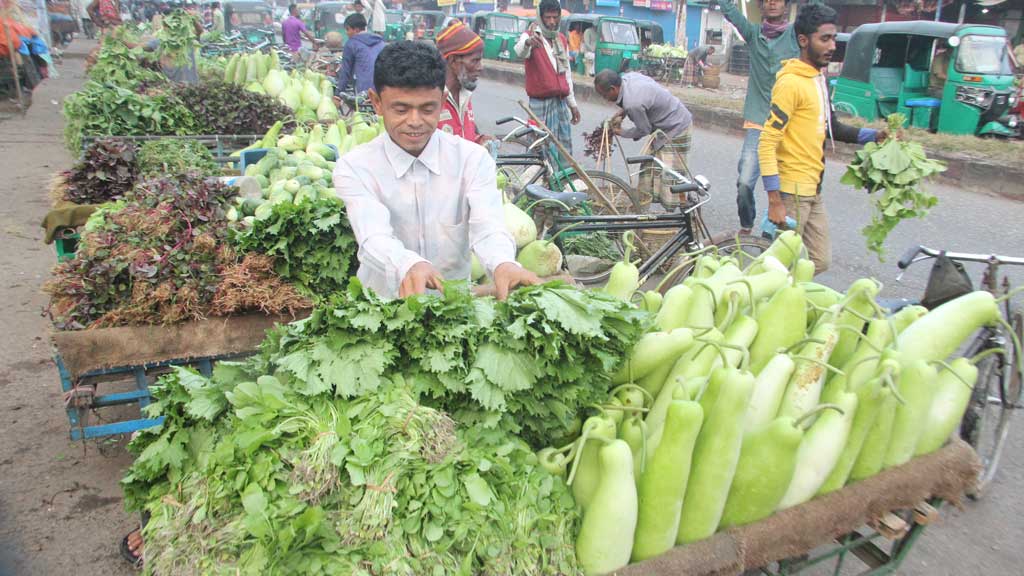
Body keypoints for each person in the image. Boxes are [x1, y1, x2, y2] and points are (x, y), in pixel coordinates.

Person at [333, 41, 539, 299]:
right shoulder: (355, 167)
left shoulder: (472, 160)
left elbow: (488, 227)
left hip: (452, 311)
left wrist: (503, 263)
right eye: (401, 109)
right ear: (376, 102)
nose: (415, 121)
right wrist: (409, 265)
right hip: (382, 310)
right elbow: (373, 235)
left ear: (442, 101)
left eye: (427, 109)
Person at [759, 3, 886, 274]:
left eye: (834, 38)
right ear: (804, 40)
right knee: (777, 268)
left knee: (818, 261)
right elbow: (767, 142)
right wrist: (775, 201)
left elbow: (834, 128)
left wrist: (874, 136)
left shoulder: (818, 79)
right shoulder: (791, 83)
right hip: (791, 192)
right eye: (824, 39)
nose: (832, 46)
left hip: (813, 190)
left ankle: (784, 300)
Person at [717, 0, 800, 235]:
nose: (773, 3)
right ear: (761, 7)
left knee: (785, 185)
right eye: (768, 0)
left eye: (778, 0)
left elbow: (817, 15)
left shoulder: (796, 34)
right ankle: (746, 224)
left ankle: (773, 228)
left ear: (786, 6)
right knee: (744, 183)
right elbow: (730, 12)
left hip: (789, 124)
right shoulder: (754, 34)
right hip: (759, 121)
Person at [594, 69, 694, 209]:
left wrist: (620, 132)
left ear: (613, 88)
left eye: (604, 95)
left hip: (676, 126)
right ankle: (643, 207)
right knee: (649, 169)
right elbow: (640, 101)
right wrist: (622, 113)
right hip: (664, 124)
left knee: (671, 173)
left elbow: (644, 130)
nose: (604, 98)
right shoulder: (629, 78)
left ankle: (681, 210)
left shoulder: (633, 104)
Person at [514, 0, 580, 160]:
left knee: (563, 148)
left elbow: (567, 74)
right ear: (541, 17)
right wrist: (528, 43)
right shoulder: (530, 37)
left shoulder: (561, 40)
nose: (551, 22)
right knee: (539, 150)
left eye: (555, 17)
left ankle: (560, 183)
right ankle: (537, 183)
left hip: (561, 103)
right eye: (548, 17)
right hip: (540, 104)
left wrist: (573, 104)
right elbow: (519, 51)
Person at [435, 20, 489, 146]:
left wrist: (479, 140)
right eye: (475, 61)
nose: (480, 67)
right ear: (453, 61)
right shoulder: (431, 98)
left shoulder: (464, 95)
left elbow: (463, 137)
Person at [335, 13, 385, 94]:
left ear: (356, 30)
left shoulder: (351, 43)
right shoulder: (381, 42)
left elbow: (345, 72)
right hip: (383, 90)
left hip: (365, 91)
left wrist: (338, 94)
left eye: (348, 29)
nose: (346, 32)